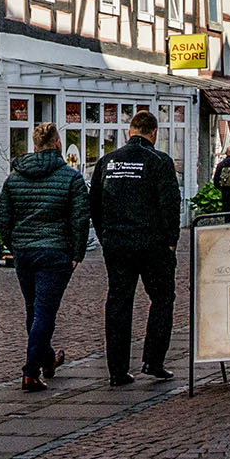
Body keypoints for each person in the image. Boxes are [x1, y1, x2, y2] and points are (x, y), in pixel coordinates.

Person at [0, 123, 88, 391]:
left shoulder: (15, 178)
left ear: (34, 147)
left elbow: (2, 215)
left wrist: (14, 243)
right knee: (44, 312)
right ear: (58, 143)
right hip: (56, 251)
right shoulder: (71, 178)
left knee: (34, 310)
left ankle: (47, 360)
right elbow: (80, 218)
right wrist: (77, 252)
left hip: (24, 252)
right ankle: (31, 372)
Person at [91, 111, 183, 385]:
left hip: (117, 243)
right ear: (153, 133)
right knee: (162, 298)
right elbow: (170, 205)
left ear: (129, 132)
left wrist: (104, 235)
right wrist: (170, 241)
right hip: (152, 243)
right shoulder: (159, 161)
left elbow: (94, 202)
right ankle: (153, 360)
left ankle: (117, 370)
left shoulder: (107, 162)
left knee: (119, 302)